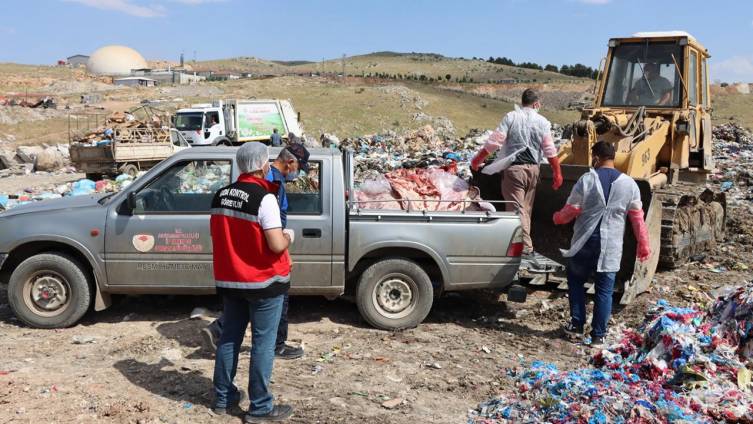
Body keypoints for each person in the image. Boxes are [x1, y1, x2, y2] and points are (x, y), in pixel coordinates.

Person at [210, 142, 294, 421]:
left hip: (231, 280)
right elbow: (275, 244)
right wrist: (289, 236)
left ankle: (222, 398)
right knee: (263, 343)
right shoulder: (264, 198)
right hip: (263, 282)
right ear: (263, 166)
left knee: (229, 338)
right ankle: (260, 408)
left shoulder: (220, 195)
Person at [204, 144, 310, 361]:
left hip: (231, 274)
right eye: (299, 166)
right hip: (264, 260)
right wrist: (286, 249)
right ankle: (276, 347)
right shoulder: (273, 185)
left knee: (233, 332)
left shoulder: (223, 193)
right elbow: (274, 228)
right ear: (290, 163)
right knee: (264, 336)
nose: (298, 172)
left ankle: (219, 333)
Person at [552, 141, 651, 348]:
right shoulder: (630, 184)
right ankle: (599, 336)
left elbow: (572, 209)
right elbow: (637, 218)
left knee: (576, 281)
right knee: (604, 290)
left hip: (585, 241)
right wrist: (643, 245)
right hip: (611, 245)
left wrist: (557, 219)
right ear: (613, 157)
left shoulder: (587, 179)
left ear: (596, 157)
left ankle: (577, 326)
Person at [470, 88, 563, 258]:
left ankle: (525, 248)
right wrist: (557, 173)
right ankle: (523, 245)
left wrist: (477, 160)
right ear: (536, 104)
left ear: (523, 102)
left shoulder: (511, 117)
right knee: (525, 210)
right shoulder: (543, 121)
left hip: (514, 171)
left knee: (516, 212)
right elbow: (550, 150)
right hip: (534, 171)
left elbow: (495, 142)